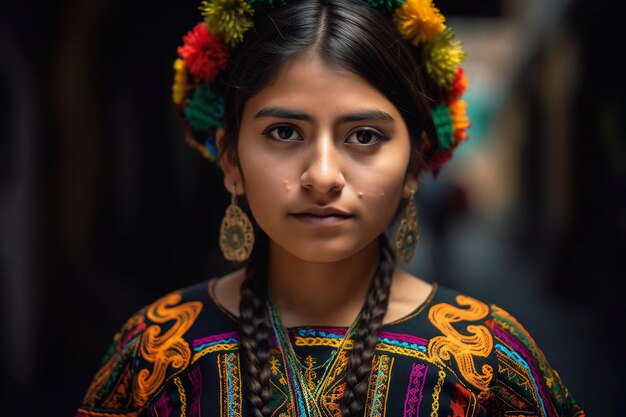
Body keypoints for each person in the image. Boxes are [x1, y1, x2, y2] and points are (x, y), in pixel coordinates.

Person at [75, 1, 584, 416]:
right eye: (284, 132)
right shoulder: (156, 356)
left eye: (364, 136)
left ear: (414, 165)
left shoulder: (491, 363)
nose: (322, 175)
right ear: (231, 159)